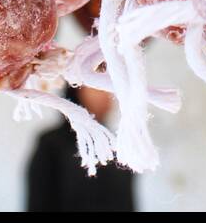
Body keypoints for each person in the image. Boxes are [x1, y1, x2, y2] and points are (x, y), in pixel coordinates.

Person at [26, 84, 135, 212]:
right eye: (98, 88)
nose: (107, 95)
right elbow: (38, 203)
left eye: (111, 88)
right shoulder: (52, 144)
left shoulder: (119, 146)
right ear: (75, 90)